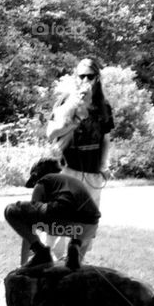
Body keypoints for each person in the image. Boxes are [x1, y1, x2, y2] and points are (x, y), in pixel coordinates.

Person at [4, 158, 101, 269]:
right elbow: (87, 213)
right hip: (89, 228)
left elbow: (30, 221)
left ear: (36, 175)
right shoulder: (72, 182)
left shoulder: (43, 181)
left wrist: (23, 264)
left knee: (11, 210)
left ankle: (41, 253)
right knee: (78, 221)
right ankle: (74, 246)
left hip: (62, 220)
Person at [45, 57, 115, 209]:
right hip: (67, 170)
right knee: (63, 217)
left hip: (93, 173)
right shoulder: (65, 101)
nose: (85, 80)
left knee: (88, 219)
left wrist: (104, 166)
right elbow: (50, 133)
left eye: (90, 76)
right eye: (81, 76)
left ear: (97, 78)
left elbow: (105, 138)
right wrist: (75, 121)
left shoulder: (103, 106)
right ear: (75, 77)